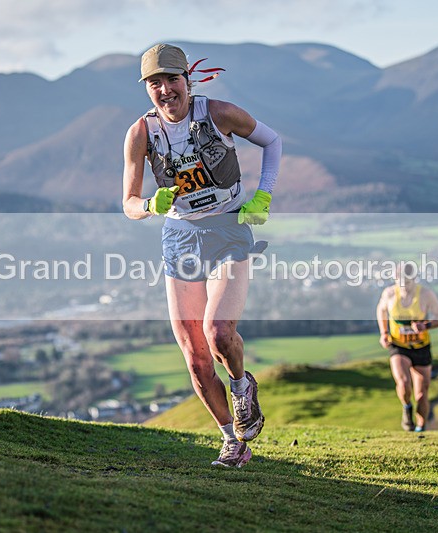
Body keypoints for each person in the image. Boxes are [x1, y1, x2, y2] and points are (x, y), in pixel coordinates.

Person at [122, 44, 282, 468]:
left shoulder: (219, 113)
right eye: (154, 83)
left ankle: (241, 385)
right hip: (179, 238)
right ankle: (233, 440)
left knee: (219, 334)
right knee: (194, 358)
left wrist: (263, 195)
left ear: (187, 80)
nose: (165, 89)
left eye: (171, 79)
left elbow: (272, 140)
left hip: (228, 229)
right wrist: (150, 206)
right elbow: (129, 203)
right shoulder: (141, 133)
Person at [376, 263, 438, 432]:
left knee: (422, 394)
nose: (404, 286)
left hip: (421, 347)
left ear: (414, 279)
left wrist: (427, 325)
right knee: (403, 382)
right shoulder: (389, 294)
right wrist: (384, 333)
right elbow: (381, 310)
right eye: (400, 281)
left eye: (407, 282)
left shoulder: (425, 295)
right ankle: (406, 408)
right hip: (399, 345)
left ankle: (421, 429)